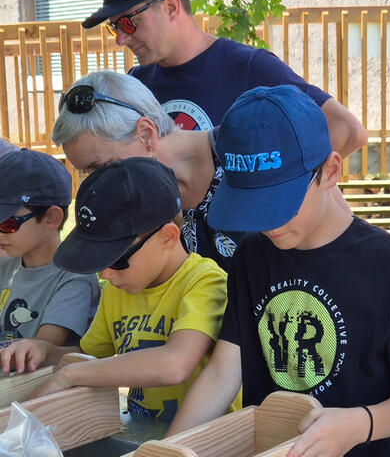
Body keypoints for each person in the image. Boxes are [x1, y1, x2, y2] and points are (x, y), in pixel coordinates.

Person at [167, 85, 390, 457]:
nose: (269, 224)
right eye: (252, 206)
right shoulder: (251, 256)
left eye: (279, 203)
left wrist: (357, 425)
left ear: (330, 170)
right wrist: (167, 448)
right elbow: (224, 370)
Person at [0, 157, 235, 423]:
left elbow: (174, 364)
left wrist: (71, 374)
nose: (105, 274)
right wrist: (45, 350)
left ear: (167, 237)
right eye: (99, 261)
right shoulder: (118, 290)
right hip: (143, 432)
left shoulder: (206, 282)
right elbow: (88, 355)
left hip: (211, 440)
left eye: (116, 260)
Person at [80, 0, 366, 155]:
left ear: (170, 7)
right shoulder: (137, 83)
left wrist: (271, 193)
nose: (121, 39)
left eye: (129, 21)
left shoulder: (249, 68)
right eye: (115, 26)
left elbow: (345, 130)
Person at [51, 70, 246, 270]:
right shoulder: (131, 201)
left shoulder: (246, 155)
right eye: (87, 173)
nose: (97, 183)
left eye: (101, 168)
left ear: (145, 134)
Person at [0, 149, 100, 344]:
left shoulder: (75, 278)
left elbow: (44, 348)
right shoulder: (6, 266)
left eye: (7, 224)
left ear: (51, 218)